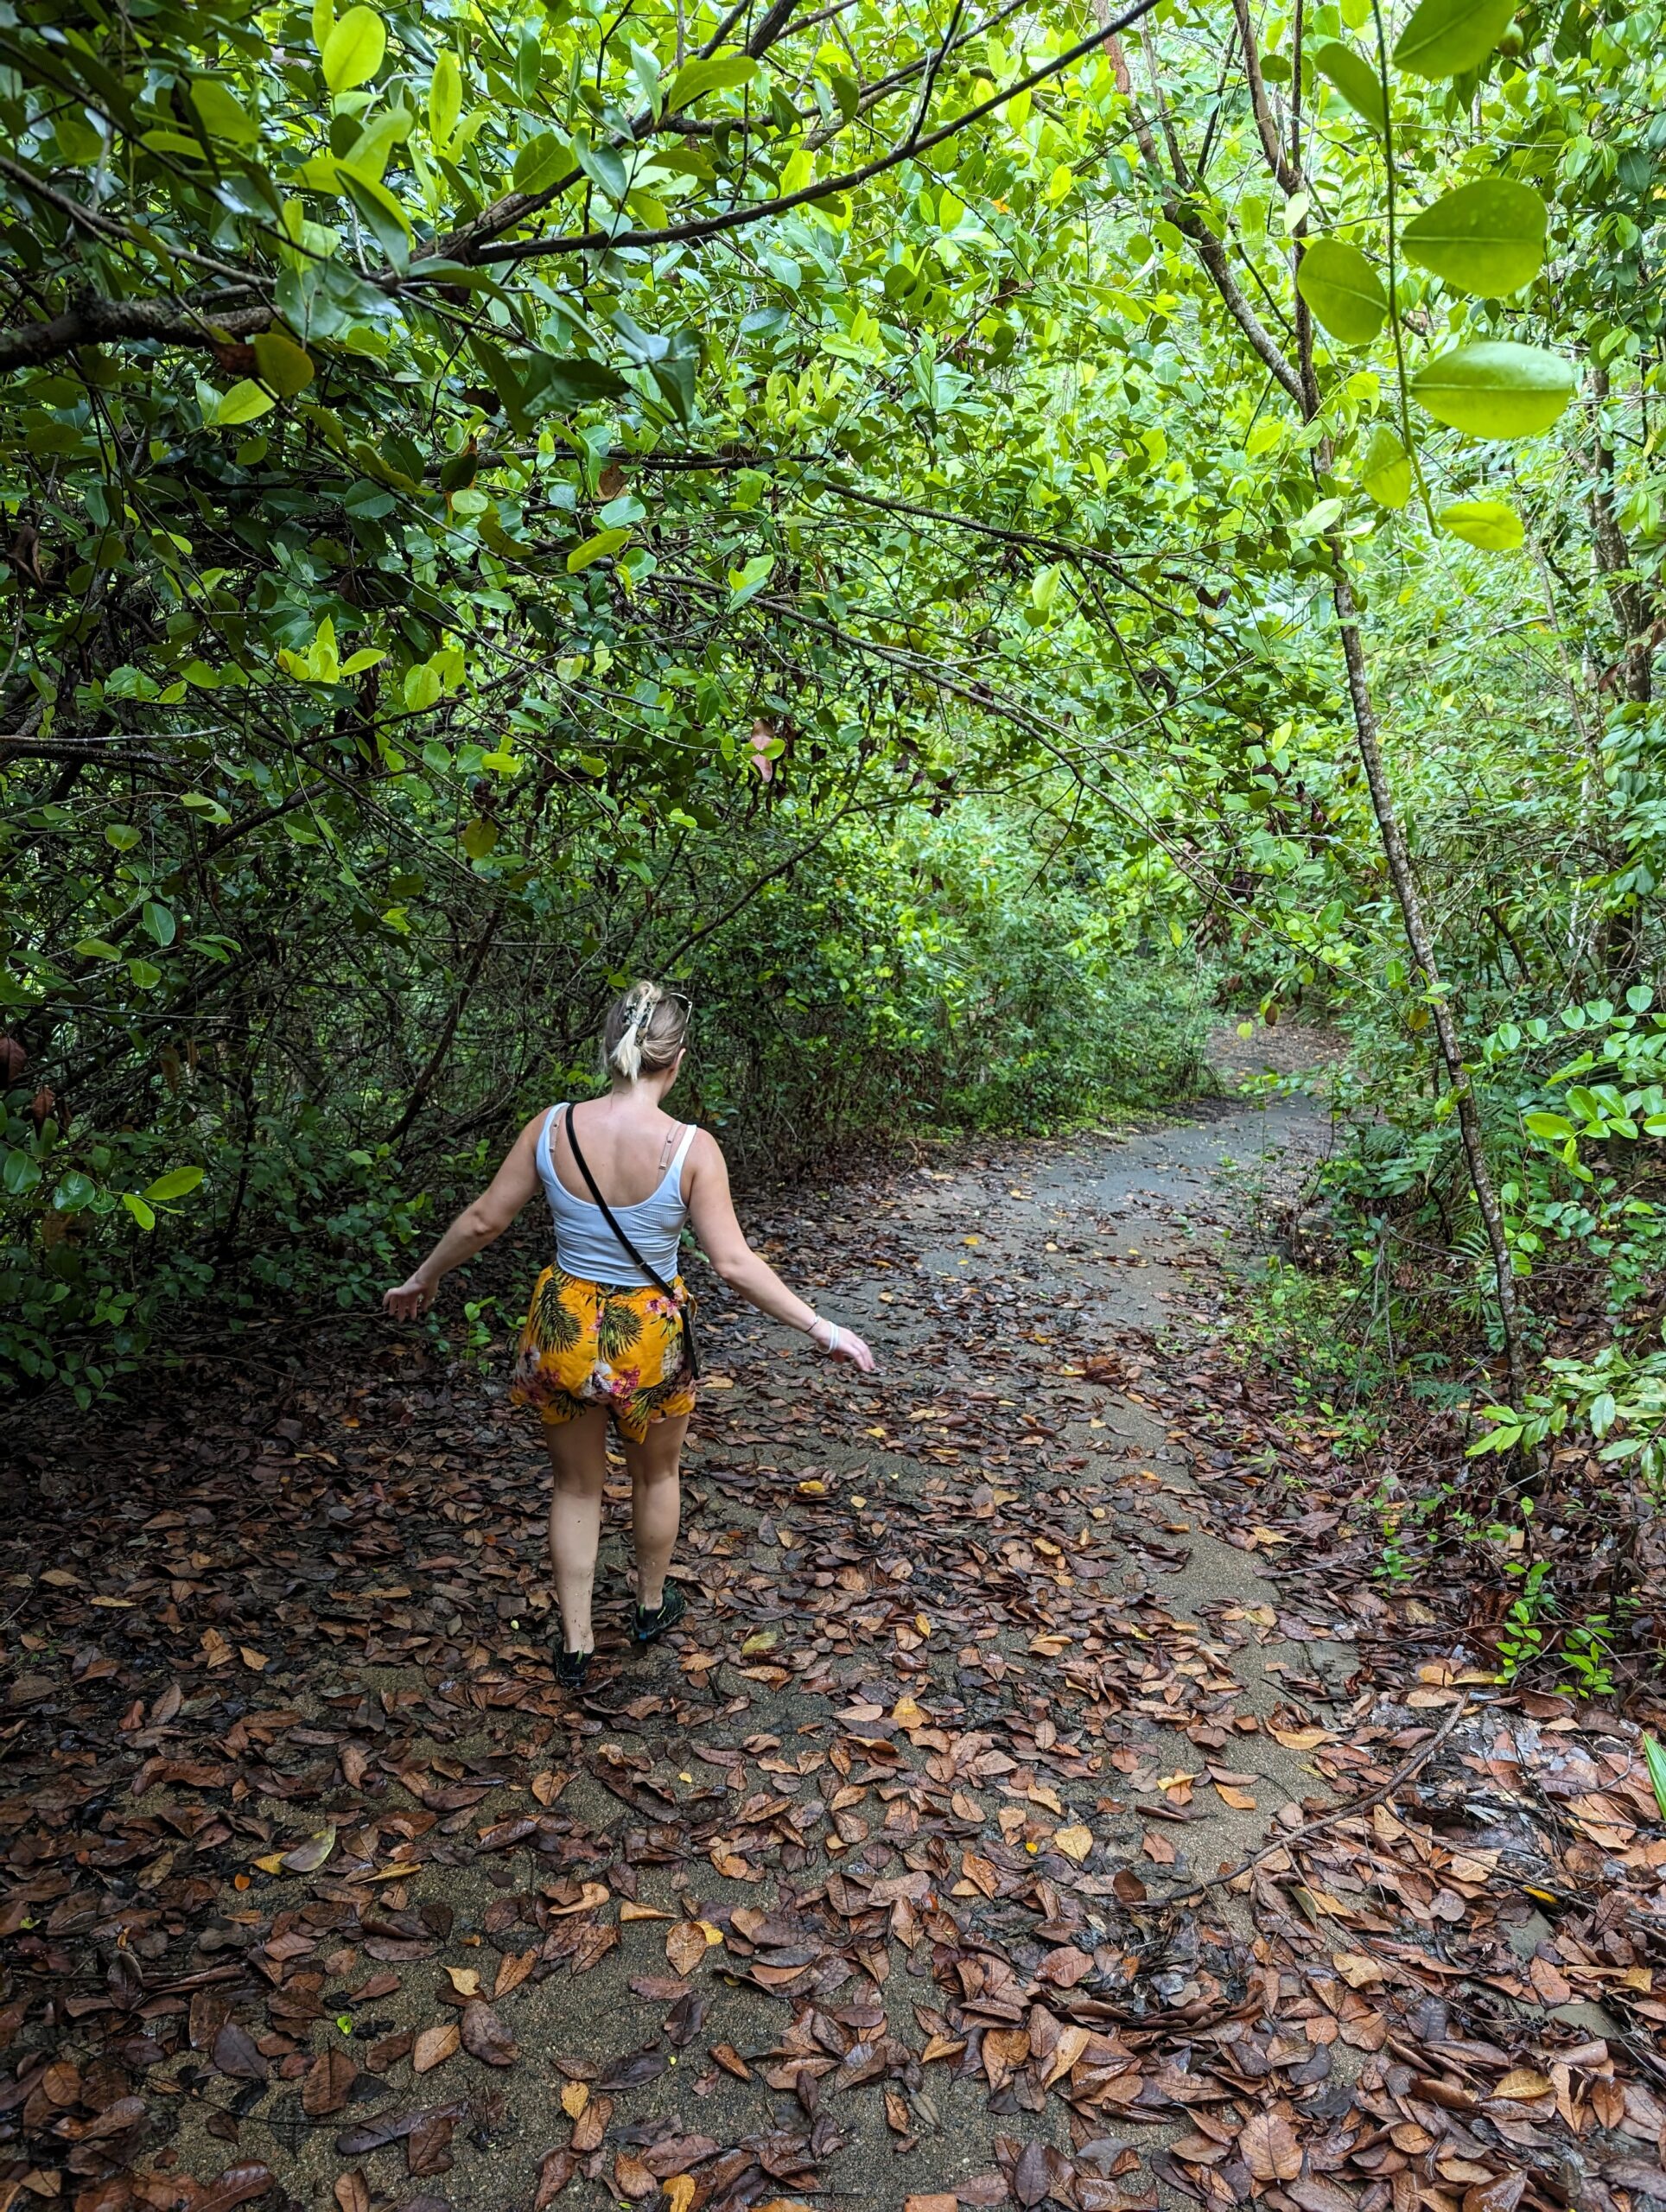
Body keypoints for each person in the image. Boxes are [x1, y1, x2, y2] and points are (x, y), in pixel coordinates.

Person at [382, 981, 876, 1689]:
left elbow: (486, 1219)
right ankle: (648, 1606)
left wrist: (423, 1276)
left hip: (563, 1328)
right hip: (646, 1337)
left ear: (610, 1048)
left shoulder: (552, 1126)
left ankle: (577, 1642)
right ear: (677, 1059)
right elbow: (734, 1264)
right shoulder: (692, 1148)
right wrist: (822, 1327)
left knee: (576, 1487)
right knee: (657, 1474)